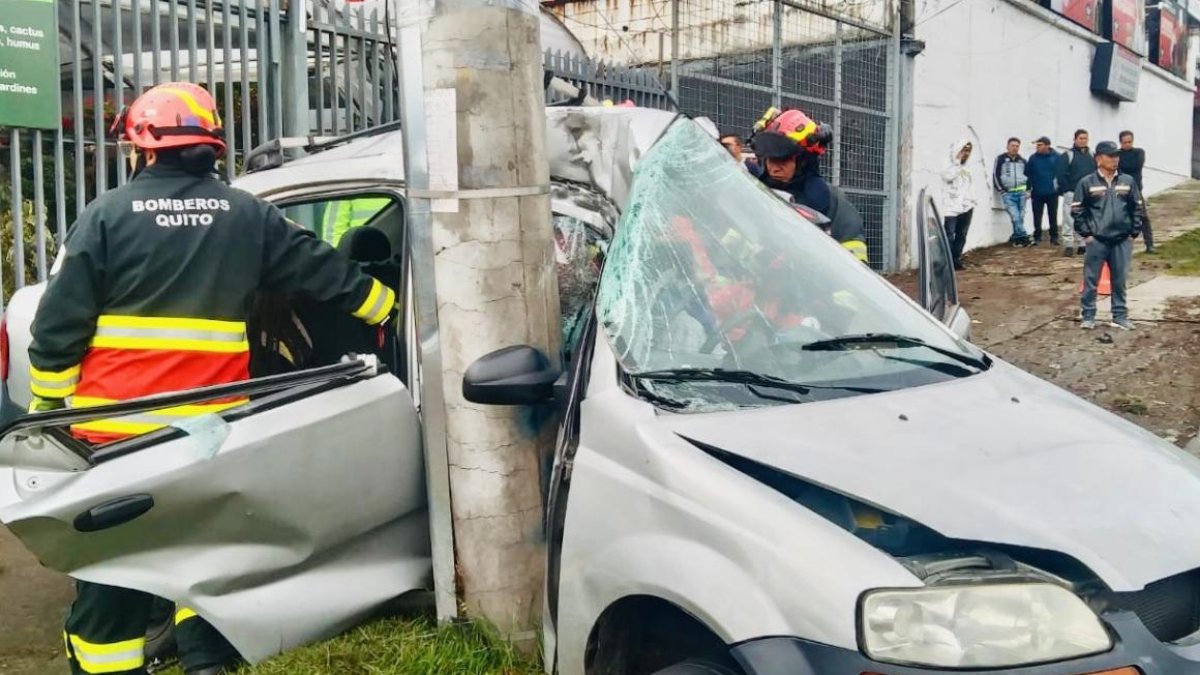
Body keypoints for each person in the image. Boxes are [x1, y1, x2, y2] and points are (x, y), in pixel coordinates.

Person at [27, 83, 399, 675]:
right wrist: (384, 307)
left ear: (142, 147)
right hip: (209, 435)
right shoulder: (247, 214)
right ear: (211, 147)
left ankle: (108, 665)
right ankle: (206, 663)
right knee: (200, 557)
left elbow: (58, 325)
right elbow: (322, 270)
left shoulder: (105, 217)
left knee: (113, 576)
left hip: (118, 442)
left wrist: (48, 406)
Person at [751, 108, 870, 264]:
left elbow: (855, 270)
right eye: (769, 160)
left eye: (783, 160)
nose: (774, 168)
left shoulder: (832, 202)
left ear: (804, 160)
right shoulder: (757, 196)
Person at [1072, 140, 1146, 331]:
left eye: (1116, 156)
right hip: (1097, 240)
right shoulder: (1086, 182)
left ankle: (1120, 316)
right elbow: (1077, 210)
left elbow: (1137, 207)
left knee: (1119, 280)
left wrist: (1133, 232)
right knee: (1091, 280)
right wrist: (1087, 234)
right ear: (1098, 159)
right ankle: (1088, 316)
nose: (1115, 159)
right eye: (1110, 156)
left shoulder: (1127, 182)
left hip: (1122, 240)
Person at [1057, 129, 1096, 256]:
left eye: (1085, 138)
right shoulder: (1068, 155)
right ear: (1075, 139)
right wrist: (1066, 189)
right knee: (1069, 219)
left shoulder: (1092, 155)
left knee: (1085, 218)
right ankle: (1068, 244)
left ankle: (1082, 244)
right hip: (1072, 192)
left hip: (1088, 193)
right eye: (1081, 138)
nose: (1083, 141)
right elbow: (1061, 174)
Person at [941, 138, 976, 270]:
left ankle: (955, 259)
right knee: (949, 234)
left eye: (968, 151)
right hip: (951, 207)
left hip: (966, 206)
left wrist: (972, 200)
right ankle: (947, 262)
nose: (966, 154)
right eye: (964, 150)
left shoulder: (967, 168)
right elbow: (948, 176)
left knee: (962, 234)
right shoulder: (948, 164)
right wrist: (956, 162)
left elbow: (970, 185)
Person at [1118, 130, 1154, 253]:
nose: (1127, 144)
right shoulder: (1117, 155)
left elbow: (1135, 165)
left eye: (1129, 142)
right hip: (1121, 190)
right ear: (1121, 142)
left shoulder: (1139, 152)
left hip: (1136, 190)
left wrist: (1122, 166)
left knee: (1143, 217)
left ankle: (1150, 244)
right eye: (1125, 142)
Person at [993, 137, 1032, 247]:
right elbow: (995, 175)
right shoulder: (1000, 159)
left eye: (1017, 146)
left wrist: (1028, 190)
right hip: (1008, 193)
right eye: (1012, 146)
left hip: (1022, 193)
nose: (1015, 148)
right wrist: (1001, 190)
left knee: (1021, 216)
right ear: (1007, 146)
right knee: (1015, 216)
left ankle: (1016, 239)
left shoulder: (1023, 160)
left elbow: (1029, 176)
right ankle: (1024, 237)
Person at [1025, 136, 1060, 246]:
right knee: (1037, 215)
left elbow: (1061, 173)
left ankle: (1054, 237)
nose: (1037, 147)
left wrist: (1060, 187)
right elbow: (1029, 175)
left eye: (1040, 145)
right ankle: (1037, 237)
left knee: (1053, 215)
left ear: (1047, 145)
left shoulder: (1057, 157)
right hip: (1037, 191)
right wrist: (1028, 189)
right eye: (1037, 145)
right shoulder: (1033, 158)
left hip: (1052, 192)